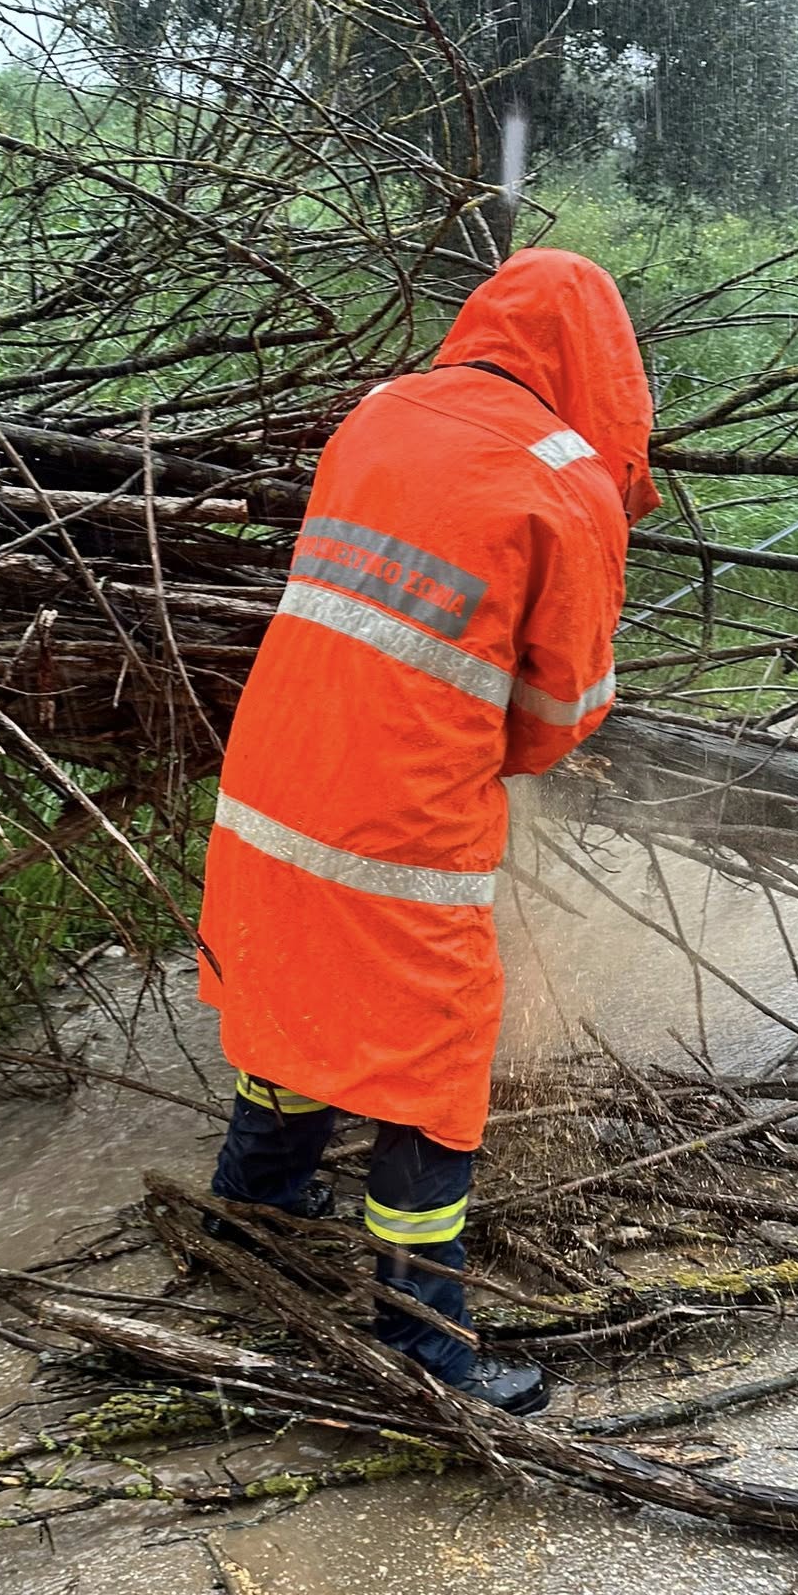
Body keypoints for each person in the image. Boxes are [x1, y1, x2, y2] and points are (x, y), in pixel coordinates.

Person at [197, 247, 660, 1414]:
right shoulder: (567, 482)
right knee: (430, 1064)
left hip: (269, 779)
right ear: (604, 367)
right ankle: (423, 1338)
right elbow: (558, 710)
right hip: (396, 817)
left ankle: (251, 1202)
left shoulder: (378, 411)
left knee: (300, 983)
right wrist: (483, 749)